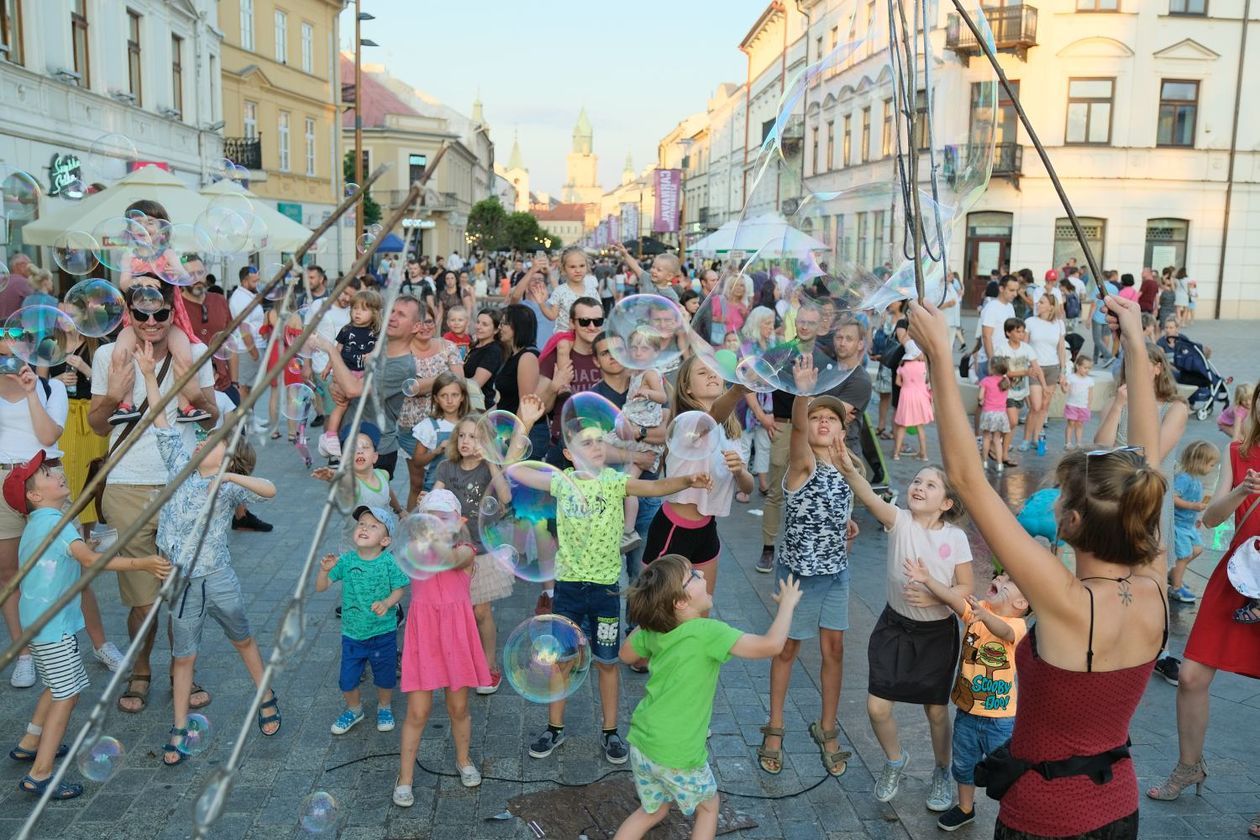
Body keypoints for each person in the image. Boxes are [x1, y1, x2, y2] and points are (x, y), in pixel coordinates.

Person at [912, 291, 1169, 840]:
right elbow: (1148, 461)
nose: (1049, 501)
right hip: (1118, 807)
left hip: (1046, 817)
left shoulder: (1064, 597)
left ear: (1071, 523)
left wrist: (938, 354)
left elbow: (966, 478)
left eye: (1057, 497)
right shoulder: (1155, 583)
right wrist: (1136, 343)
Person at [513, 396, 713, 765]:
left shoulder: (615, 482)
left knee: (607, 662)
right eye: (586, 442)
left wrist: (688, 479)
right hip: (569, 588)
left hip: (605, 590)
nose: (596, 447)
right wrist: (524, 422)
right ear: (570, 455)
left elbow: (654, 488)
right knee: (560, 661)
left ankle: (610, 732)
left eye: (599, 441)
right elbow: (516, 469)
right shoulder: (562, 483)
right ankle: (554, 729)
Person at [138, 342, 280, 763]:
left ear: (228, 456)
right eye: (203, 437)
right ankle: (179, 727)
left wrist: (227, 477)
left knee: (243, 638)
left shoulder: (229, 484)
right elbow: (160, 419)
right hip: (181, 580)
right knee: (184, 656)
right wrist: (149, 374)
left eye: (212, 441)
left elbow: (270, 491)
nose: (201, 441)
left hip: (218, 576)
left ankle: (266, 694)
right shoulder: (179, 462)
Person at [5, 452, 169, 799]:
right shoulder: (57, 523)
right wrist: (143, 562)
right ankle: (41, 774)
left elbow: (67, 555)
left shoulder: (40, 522)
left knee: (55, 684)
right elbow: (91, 562)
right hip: (53, 627)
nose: (58, 474)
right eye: (47, 474)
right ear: (34, 496)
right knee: (67, 695)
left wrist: (83, 546)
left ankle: (30, 742)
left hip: (39, 623)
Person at [89, 279, 219, 714]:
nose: (150, 322)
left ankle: (181, 671)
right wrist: (113, 394)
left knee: (181, 591)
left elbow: (213, 419)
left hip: (181, 485)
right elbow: (97, 425)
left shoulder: (193, 353)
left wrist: (193, 388)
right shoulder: (110, 355)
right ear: (128, 312)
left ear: (171, 311)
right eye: (140, 314)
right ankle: (140, 668)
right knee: (142, 596)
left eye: (159, 313)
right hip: (126, 484)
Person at [615, 555, 803, 840]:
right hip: (677, 752)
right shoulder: (707, 633)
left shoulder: (656, 630)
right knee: (709, 808)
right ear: (680, 602)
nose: (702, 572)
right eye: (693, 575)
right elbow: (772, 645)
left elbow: (626, 654)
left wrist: (652, 618)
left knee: (652, 811)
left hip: (643, 741)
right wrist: (787, 605)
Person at [839, 446, 973, 810]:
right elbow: (866, 493)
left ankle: (942, 771)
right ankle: (895, 760)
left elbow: (965, 589)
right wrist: (849, 468)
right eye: (917, 481)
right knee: (877, 707)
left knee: (935, 711)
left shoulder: (955, 538)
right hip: (894, 627)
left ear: (946, 503)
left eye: (931, 485)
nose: (919, 487)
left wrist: (934, 597)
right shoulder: (899, 521)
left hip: (936, 635)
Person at [757, 360, 855, 781]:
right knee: (787, 649)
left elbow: (842, 508)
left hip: (836, 573)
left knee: (834, 651)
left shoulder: (846, 469)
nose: (822, 423)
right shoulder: (803, 466)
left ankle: (827, 728)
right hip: (797, 576)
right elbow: (797, 433)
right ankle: (775, 729)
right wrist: (802, 394)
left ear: (842, 431)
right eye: (816, 417)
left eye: (830, 418)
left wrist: (847, 524)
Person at [1093, 340, 1188, 684]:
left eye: (1142, 363)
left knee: (1152, 574)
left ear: (1158, 368)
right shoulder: (1117, 401)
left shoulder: (1175, 407)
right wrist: (1119, 404)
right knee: (1113, 569)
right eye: (1129, 363)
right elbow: (1101, 446)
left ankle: (1158, 650)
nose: (1134, 369)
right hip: (1114, 501)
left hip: (1150, 502)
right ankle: (1115, 638)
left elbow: (1154, 454)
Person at [911, 565, 1031, 831]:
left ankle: (1015, 813)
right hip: (967, 712)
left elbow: (1002, 630)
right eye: (999, 575)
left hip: (1000, 719)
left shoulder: (1018, 626)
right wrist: (929, 579)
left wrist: (983, 616)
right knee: (964, 764)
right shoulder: (979, 611)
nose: (999, 578)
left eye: (1008, 580)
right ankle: (966, 808)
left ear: (1021, 602)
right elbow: (954, 600)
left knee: (1005, 767)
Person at [394, 492, 490, 804]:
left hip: (456, 635)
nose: (436, 524)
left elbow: (449, 559)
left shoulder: (465, 550)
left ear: (458, 522)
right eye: (430, 518)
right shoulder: (414, 550)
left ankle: (464, 760)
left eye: (443, 517)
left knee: (458, 707)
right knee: (418, 711)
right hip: (425, 637)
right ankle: (405, 777)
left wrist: (432, 528)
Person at [640, 357, 754, 601]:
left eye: (715, 371)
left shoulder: (731, 430)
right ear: (687, 387)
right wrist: (738, 390)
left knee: (701, 609)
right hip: (674, 528)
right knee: (657, 613)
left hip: (707, 529)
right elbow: (711, 418)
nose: (712, 375)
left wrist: (740, 472)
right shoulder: (688, 423)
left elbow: (748, 486)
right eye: (703, 373)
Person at [432, 416, 514, 695]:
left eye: (475, 437)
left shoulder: (487, 471)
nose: (467, 442)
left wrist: (491, 460)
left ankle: (489, 665)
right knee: (457, 611)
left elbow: (505, 498)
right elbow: (435, 500)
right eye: (463, 436)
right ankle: (461, 661)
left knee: (481, 611)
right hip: (454, 552)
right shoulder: (447, 468)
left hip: (482, 550)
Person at [317, 505, 409, 737]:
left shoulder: (388, 562)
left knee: (385, 676)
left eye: (373, 526)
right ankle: (354, 709)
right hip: (352, 635)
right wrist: (324, 571)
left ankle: (384, 707)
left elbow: (400, 589)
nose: (365, 528)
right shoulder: (346, 561)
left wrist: (388, 603)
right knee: (347, 680)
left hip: (383, 633)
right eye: (362, 524)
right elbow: (321, 587)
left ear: (386, 540)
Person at [319, 296, 425, 480]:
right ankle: (397, 510)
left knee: (369, 507)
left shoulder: (401, 365)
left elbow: (353, 389)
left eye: (401, 314)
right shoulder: (376, 348)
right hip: (353, 440)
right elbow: (345, 382)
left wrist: (329, 349)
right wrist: (334, 387)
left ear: (416, 327)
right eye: (391, 311)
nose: (392, 317)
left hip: (376, 450)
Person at [318, 289, 382, 459]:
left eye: (363, 309)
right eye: (354, 309)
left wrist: (373, 354)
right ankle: (330, 436)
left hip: (363, 374)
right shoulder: (346, 329)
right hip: (345, 372)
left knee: (360, 405)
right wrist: (327, 368)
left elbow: (378, 350)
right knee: (342, 404)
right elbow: (336, 350)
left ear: (374, 312)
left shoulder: (376, 332)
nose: (357, 312)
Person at [1169, 440, 1219, 604]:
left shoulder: (1196, 480)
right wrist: (1192, 506)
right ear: (1199, 462)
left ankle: (1175, 573)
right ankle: (1176, 588)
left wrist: (1196, 517)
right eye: (1211, 465)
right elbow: (1172, 497)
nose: (1212, 469)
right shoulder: (1184, 479)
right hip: (1179, 525)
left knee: (1197, 549)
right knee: (1184, 556)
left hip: (1189, 525)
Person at [411, 371, 469, 499]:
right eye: (444, 395)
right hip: (435, 490)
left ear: (462, 397)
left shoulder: (470, 424)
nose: (449, 400)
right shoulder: (429, 426)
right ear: (436, 399)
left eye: (455, 395)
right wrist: (436, 451)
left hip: (465, 488)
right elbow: (417, 462)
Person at [1022, 293, 1067, 454]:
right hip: (1035, 368)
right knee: (1035, 405)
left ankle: (1036, 437)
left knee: (1044, 406)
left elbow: (1061, 348)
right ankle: (1026, 439)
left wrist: (1063, 371)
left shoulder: (1059, 324)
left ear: (1050, 306)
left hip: (1052, 367)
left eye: (1042, 302)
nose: (1037, 304)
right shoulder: (1030, 322)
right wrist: (1026, 368)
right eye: (1038, 301)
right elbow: (1024, 346)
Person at [892, 342, 932, 462]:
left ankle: (896, 454)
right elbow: (927, 380)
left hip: (906, 397)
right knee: (920, 427)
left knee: (902, 426)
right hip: (920, 397)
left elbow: (898, 382)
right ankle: (924, 454)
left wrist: (907, 385)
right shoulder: (923, 366)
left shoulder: (902, 366)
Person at [979, 276, 1019, 380]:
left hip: (1005, 360)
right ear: (1001, 289)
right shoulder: (992, 307)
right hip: (991, 361)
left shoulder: (1010, 307)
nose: (1015, 294)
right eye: (1011, 290)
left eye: (1016, 290)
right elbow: (986, 336)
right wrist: (992, 362)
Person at [463, 308, 502, 412]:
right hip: (466, 403)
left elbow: (476, 384)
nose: (478, 327)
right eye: (478, 322)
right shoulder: (476, 346)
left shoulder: (493, 350)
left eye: (485, 324)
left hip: (480, 408)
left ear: (496, 330)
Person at [978, 358, 1012, 472]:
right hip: (1001, 414)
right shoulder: (1006, 381)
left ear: (992, 368)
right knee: (997, 440)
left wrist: (981, 401)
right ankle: (999, 464)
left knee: (986, 438)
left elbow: (980, 396)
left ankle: (984, 462)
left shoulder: (986, 381)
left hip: (988, 413)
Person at [1063, 356, 1095, 450]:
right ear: (1077, 366)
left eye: (1089, 368)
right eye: (1085, 368)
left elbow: (1090, 394)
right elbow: (1065, 390)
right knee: (1071, 423)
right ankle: (1068, 442)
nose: (1087, 370)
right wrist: (1062, 384)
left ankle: (1078, 443)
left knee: (1080, 424)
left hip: (1083, 406)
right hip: (1072, 405)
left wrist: (1088, 406)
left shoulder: (1090, 380)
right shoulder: (1071, 378)